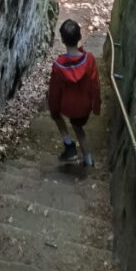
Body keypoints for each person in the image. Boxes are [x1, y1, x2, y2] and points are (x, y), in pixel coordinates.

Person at [48, 18, 101, 166]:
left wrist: (53, 110)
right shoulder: (89, 59)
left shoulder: (58, 66)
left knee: (57, 116)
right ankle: (88, 159)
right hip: (84, 107)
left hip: (67, 107)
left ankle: (68, 144)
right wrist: (96, 106)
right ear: (79, 37)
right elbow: (95, 84)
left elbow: (54, 92)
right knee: (79, 129)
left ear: (63, 40)